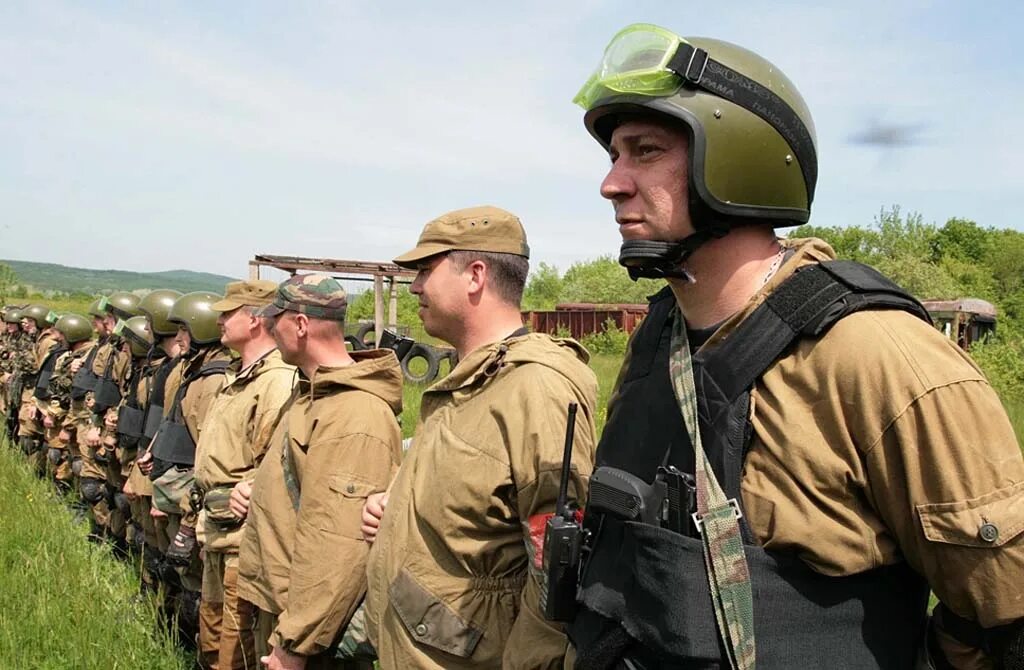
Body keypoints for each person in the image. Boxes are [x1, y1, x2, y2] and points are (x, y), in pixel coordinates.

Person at [564, 24, 1024, 669]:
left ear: (732, 159)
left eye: (643, 151)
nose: (612, 183)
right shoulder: (657, 339)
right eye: (614, 156)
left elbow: (1004, 611)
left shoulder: (875, 353)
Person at [362, 206, 598, 669]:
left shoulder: (535, 388)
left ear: (475, 275)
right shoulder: (474, 378)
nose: (414, 287)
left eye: (425, 271)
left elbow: (558, 569)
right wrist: (399, 510)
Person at [234, 273, 403, 670]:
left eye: (276, 322)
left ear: (301, 324)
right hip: (287, 611)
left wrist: (294, 646)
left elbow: (339, 544)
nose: (271, 332)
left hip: (311, 638)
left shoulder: (356, 414)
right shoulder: (311, 394)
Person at [192, 280, 296, 670]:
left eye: (228, 312)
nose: (218, 320)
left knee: (237, 650)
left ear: (254, 319)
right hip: (218, 529)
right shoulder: (241, 375)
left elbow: (276, 461)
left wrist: (249, 488)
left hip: (244, 541)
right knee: (213, 636)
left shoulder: (276, 380)